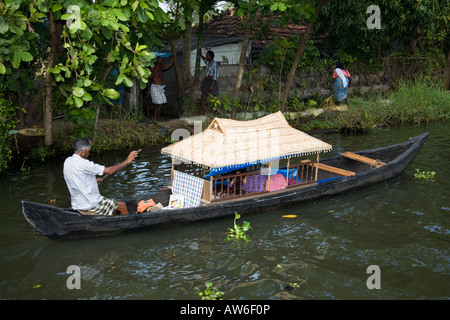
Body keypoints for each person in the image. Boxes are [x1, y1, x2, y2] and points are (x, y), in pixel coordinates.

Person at [63, 138, 139, 216]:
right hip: (90, 204)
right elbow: (110, 171)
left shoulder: (67, 161)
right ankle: (126, 225)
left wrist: (94, 182)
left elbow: (77, 180)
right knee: (122, 205)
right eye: (89, 151)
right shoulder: (84, 164)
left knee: (113, 208)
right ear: (84, 151)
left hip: (77, 204)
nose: (89, 153)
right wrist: (126, 161)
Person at [147, 55, 174, 121]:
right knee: (159, 104)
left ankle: (156, 119)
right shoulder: (153, 70)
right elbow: (149, 81)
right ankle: (157, 119)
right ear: (157, 62)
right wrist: (148, 91)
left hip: (160, 88)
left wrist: (173, 57)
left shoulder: (161, 68)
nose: (162, 61)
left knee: (158, 105)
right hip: (155, 88)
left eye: (162, 60)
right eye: (160, 60)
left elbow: (170, 64)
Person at [200, 50, 219, 115]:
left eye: (207, 55)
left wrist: (212, 85)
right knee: (203, 96)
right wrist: (200, 54)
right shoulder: (208, 62)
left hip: (212, 81)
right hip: (207, 81)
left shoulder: (214, 64)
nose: (206, 57)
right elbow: (204, 60)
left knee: (214, 98)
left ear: (210, 57)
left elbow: (215, 76)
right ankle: (202, 111)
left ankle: (215, 111)